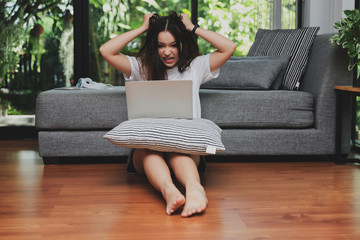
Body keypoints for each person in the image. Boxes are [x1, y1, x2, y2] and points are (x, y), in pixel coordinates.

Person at [99, 12, 236, 217]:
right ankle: (169, 191)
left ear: (182, 43)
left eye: (173, 44)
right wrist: (143, 28)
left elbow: (229, 47)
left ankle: (194, 188)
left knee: (176, 150)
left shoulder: (195, 67)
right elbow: (106, 50)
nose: (167, 52)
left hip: (185, 150)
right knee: (149, 151)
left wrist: (192, 27)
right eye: (160, 46)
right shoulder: (142, 68)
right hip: (148, 150)